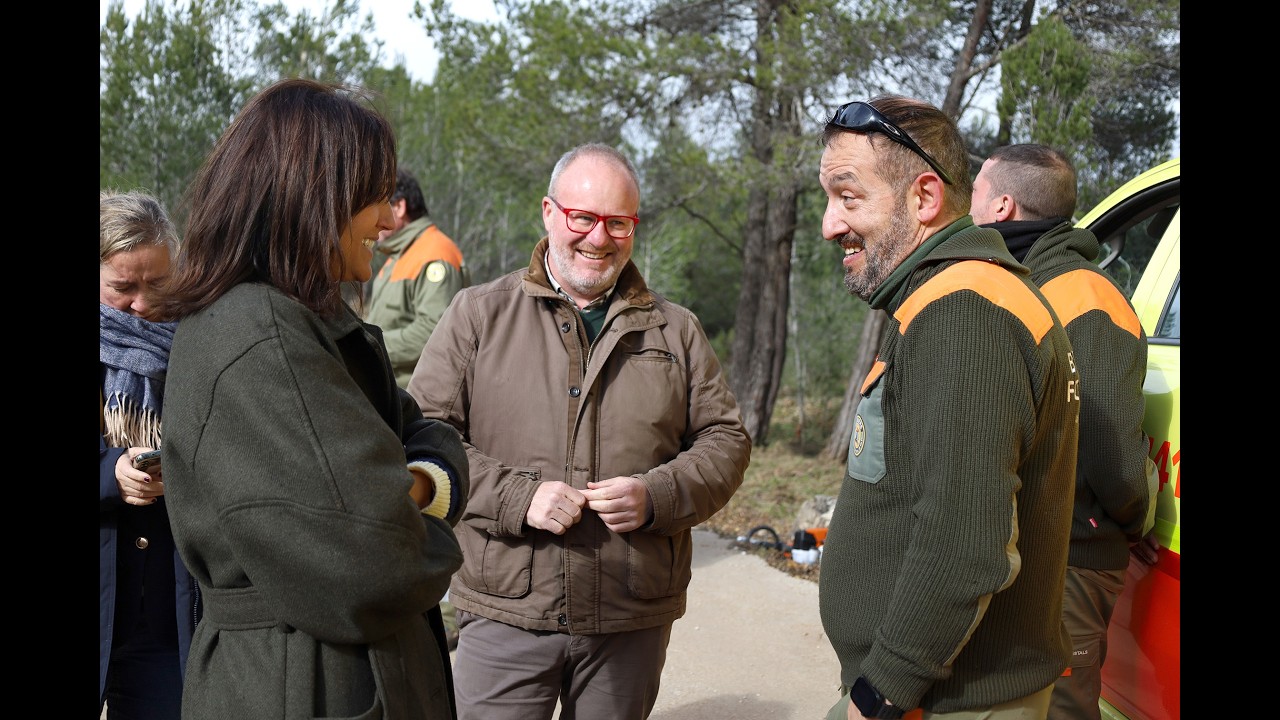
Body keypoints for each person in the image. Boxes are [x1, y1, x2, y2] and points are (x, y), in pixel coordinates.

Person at [155, 78, 469, 720]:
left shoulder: (309, 321)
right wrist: (410, 504)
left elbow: (430, 433)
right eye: (372, 199)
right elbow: (373, 557)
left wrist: (411, 487)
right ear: (315, 197)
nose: (387, 220)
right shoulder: (256, 335)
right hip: (302, 687)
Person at [407, 142, 751, 720]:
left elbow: (727, 441)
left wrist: (657, 495)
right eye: (583, 218)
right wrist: (519, 496)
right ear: (549, 213)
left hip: (629, 616)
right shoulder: (477, 315)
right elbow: (423, 436)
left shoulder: (677, 330)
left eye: (618, 223)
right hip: (506, 610)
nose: (599, 238)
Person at [815, 95, 1080, 720]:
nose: (830, 224)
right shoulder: (946, 297)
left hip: (944, 699)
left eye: (848, 198)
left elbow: (966, 541)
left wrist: (882, 691)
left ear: (925, 199)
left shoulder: (965, 311)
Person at [971, 144, 1157, 720]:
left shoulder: (1084, 298)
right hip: (1009, 552)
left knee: (1061, 711)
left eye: (975, 192)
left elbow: (1113, 453)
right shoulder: (1010, 285)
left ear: (1002, 206)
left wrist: (1127, 518)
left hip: (1069, 558)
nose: (964, 204)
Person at [100, 189, 199, 720]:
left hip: (166, 609)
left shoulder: (203, 342)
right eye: (122, 287)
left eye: (157, 284)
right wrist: (110, 473)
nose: (141, 303)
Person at [365, 170, 466, 398]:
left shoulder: (435, 253)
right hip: (393, 395)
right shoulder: (397, 256)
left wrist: (369, 346)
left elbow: (434, 331)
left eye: (377, 206)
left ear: (399, 207)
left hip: (418, 402)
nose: (371, 218)